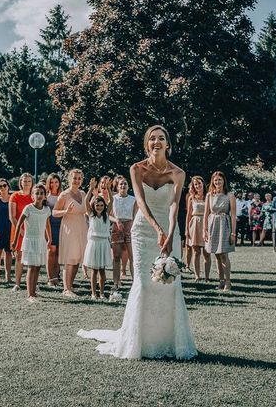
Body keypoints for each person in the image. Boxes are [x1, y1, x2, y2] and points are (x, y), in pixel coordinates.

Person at [77, 125, 197, 359]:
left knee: (169, 285)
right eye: (152, 139)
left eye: (161, 138)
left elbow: (174, 205)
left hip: (170, 230)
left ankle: (170, 342)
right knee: (143, 282)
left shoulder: (178, 173)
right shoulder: (136, 169)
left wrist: (170, 233)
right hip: (143, 230)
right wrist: (157, 229)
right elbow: (140, 202)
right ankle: (138, 342)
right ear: (146, 144)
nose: (157, 142)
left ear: (168, 144)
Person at [12, 184, 51, 302]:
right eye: (37, 193)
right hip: (30, 240)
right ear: (32, 196)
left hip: (40, 241)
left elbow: (47, 224)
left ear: (45, 196)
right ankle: (30, 295)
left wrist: (50, 238)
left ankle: (34, 291)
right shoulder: (28, 208)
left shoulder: (47, 210)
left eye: (41, 193)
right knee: (31, 267)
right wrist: (14, 241)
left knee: (38, 266)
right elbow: (19, 224)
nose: (39, 195)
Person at [53, 169, 88, 298]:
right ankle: (66, 288)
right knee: (70, 258)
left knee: (78, 257)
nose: (77, 181)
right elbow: (54, 212)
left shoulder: (83, 194)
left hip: (82, 227)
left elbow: (87, 211)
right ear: (69, 179)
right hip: (69, 228)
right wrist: (65, 211)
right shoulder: (64, 195)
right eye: (74, 178)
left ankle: (70, 285)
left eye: (79, 178)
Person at [203, 171, 237, 291]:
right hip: (212, 224)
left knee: (223, 255)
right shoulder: (209, 195)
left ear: (224, 181)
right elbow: (206, 213)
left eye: (220, 180)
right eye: (215, 180)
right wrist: (205, 230)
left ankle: (228, 281)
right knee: (216, 255)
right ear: (213, 181)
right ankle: (221, 280)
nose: (217, 182)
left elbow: (233, 215)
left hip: (224, 225)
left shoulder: (230, 195)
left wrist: (233, 233)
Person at [82, 178, 115, 300]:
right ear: (94, 206)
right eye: (97, 205)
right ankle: (93, 293)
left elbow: (111, 200)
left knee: (102, 270)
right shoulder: (91, 214)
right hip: (94, 243)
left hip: (103, 243)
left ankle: (101, 293)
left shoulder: (106, 215)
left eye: (101, 205)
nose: (99, 207)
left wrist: (108, 189)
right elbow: (86, 201)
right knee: (94, 270)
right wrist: (91, 189)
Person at [110, 176, 137, 299]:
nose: (123, 186)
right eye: (121, 184)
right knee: (116, 257)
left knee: (132, 257)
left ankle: (135, 282)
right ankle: (116, 283)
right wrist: (116, 220)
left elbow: (136, 215)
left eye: (125, 184)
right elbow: (108, 214)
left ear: (128, 186)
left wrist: (132, 224)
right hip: (117, 227)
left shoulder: (133, 199)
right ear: (117, 186)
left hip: (130, 227)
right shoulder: (113, 199)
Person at [9, 173, 34, 292]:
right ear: (21, 182)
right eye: (25, 181)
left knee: (32, 256)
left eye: (29, 181)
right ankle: (17, 283)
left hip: (32, 230)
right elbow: (12, 217)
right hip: (19, 230)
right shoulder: (15, 196)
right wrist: (21, 231)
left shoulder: (34, 196)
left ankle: (33, 282)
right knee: (19, 256)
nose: (27, 183)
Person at [185, 175, 209, 281]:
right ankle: (197, 275)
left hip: (206, 224)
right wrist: (186, 229)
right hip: (194, 224)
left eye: (199, 183)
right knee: (196, 252)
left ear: (203, 184)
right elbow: (189, 214)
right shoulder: (191, 198)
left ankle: (207, 276)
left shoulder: (209, 196)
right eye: (195, 184)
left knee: (207, 252)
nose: (198, 186)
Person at [46, 173, 63, 287]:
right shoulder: (46, 197)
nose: (54, 184)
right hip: (50, 226)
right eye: (51, 182)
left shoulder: (63, 195)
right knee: (51, 251)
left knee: (58, 252)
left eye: (56, 182)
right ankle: (50, 277)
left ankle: (57, 277)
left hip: (61, 226)